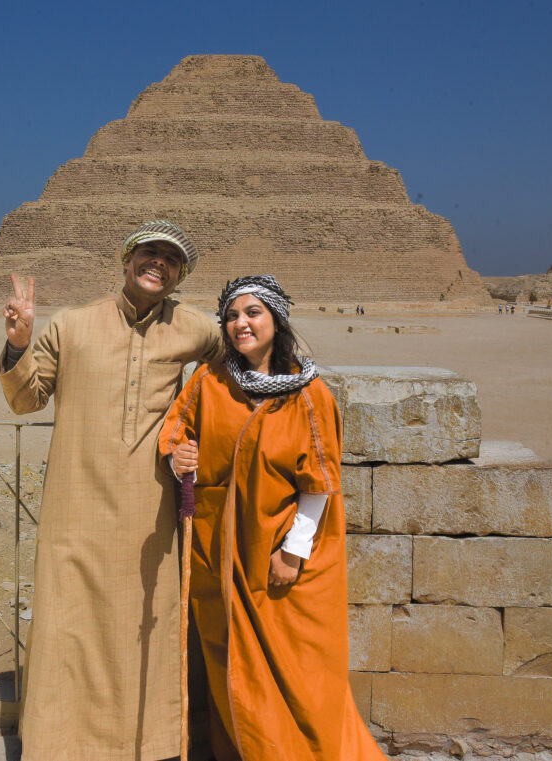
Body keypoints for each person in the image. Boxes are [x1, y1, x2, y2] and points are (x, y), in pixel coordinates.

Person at [0, 220, 222, 760]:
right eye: (148, 254)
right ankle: (58, 745)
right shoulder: (71, 326)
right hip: (74, 507)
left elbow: (239, 371)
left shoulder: (196, 329)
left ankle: (146, 745)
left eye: (170, 260)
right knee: (67, 629)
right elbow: (26, 399)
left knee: (142, 626)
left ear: (180, 274)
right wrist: (18, 344)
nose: (158, 265)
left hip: (149, 511)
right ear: (126, 259)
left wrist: (189, 438)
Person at [160, 275, 387, 760]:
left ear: (276, 318)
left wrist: (294, 551)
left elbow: (320, 483)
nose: (240, 323)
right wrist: (177, 455)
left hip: (279, 557)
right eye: (232, 315)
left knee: (298, 671)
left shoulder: (308, 394)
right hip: (218, 553)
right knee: (230, 666)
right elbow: (177, 429)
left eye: (252, 312)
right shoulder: (210, 379)